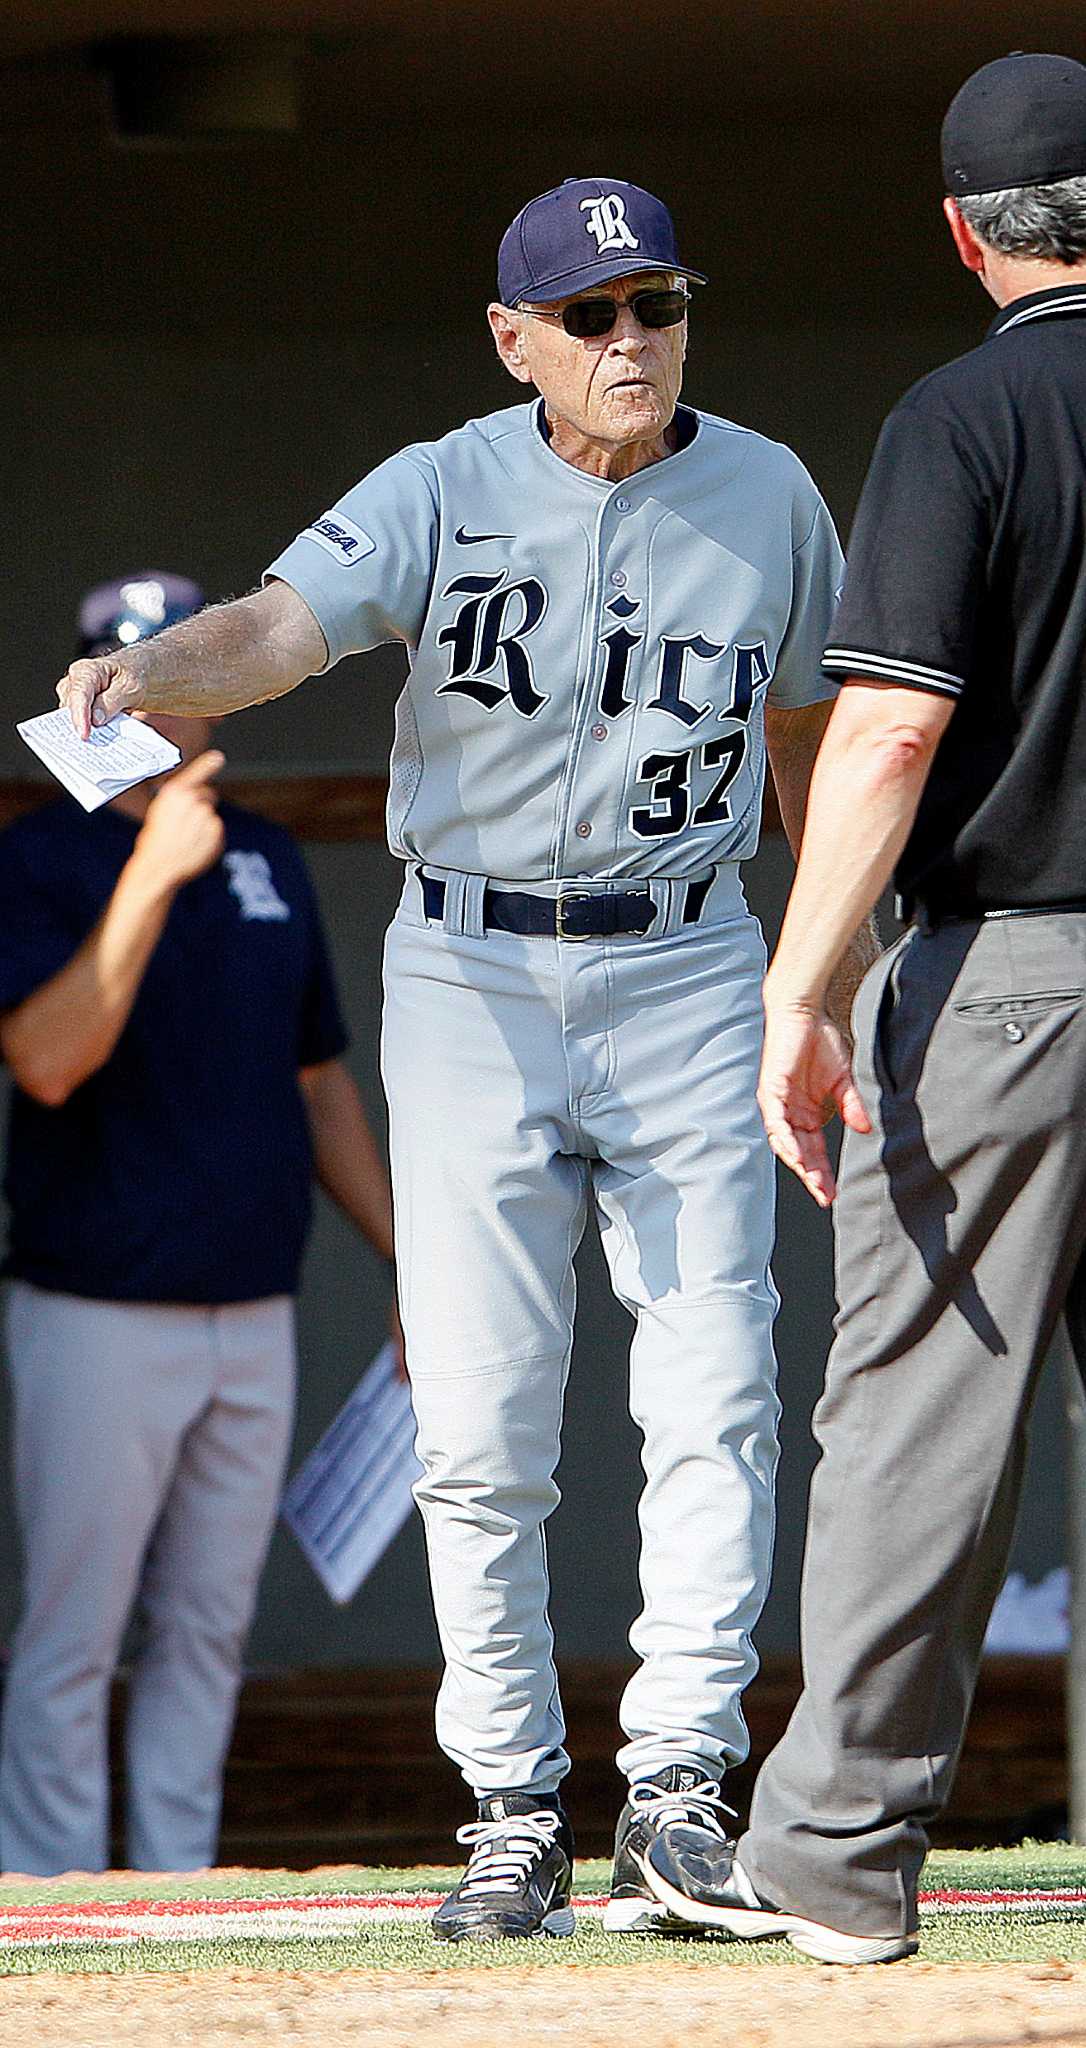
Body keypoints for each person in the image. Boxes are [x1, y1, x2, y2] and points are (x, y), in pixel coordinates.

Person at [56, 180, 862, 1939]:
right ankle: (510, 1801)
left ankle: (678, 1791)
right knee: (486, 1416)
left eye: (655, 303)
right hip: (472, 963)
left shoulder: (775, 489)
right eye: (591, 317)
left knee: (717, 1384)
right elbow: (282, 625)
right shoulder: (440, 482)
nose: (631, 340)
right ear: (517, 345)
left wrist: (824, 974)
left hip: (692, 958)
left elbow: (807, 734)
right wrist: (151, 667)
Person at [641, 53, 1086, 1967]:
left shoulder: (958, 417)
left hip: (1010, 974)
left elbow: (882, 726)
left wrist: (799, 994)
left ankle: (836, 1863)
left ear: (965, 235)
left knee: (914, 1417)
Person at [0, 571, 398, 1876]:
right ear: (89, 696)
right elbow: (51, 1061)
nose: (156, 713)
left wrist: (412, 1262)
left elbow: (320, 1084)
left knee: (206, 1630)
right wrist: (151, 877)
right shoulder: (42, 857)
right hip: (97, 1309)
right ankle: (50, 1902)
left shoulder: (267, 853)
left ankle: (174, 1895)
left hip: (253, 1304)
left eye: (173, 680)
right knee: (76, 1632)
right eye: (128, 682)